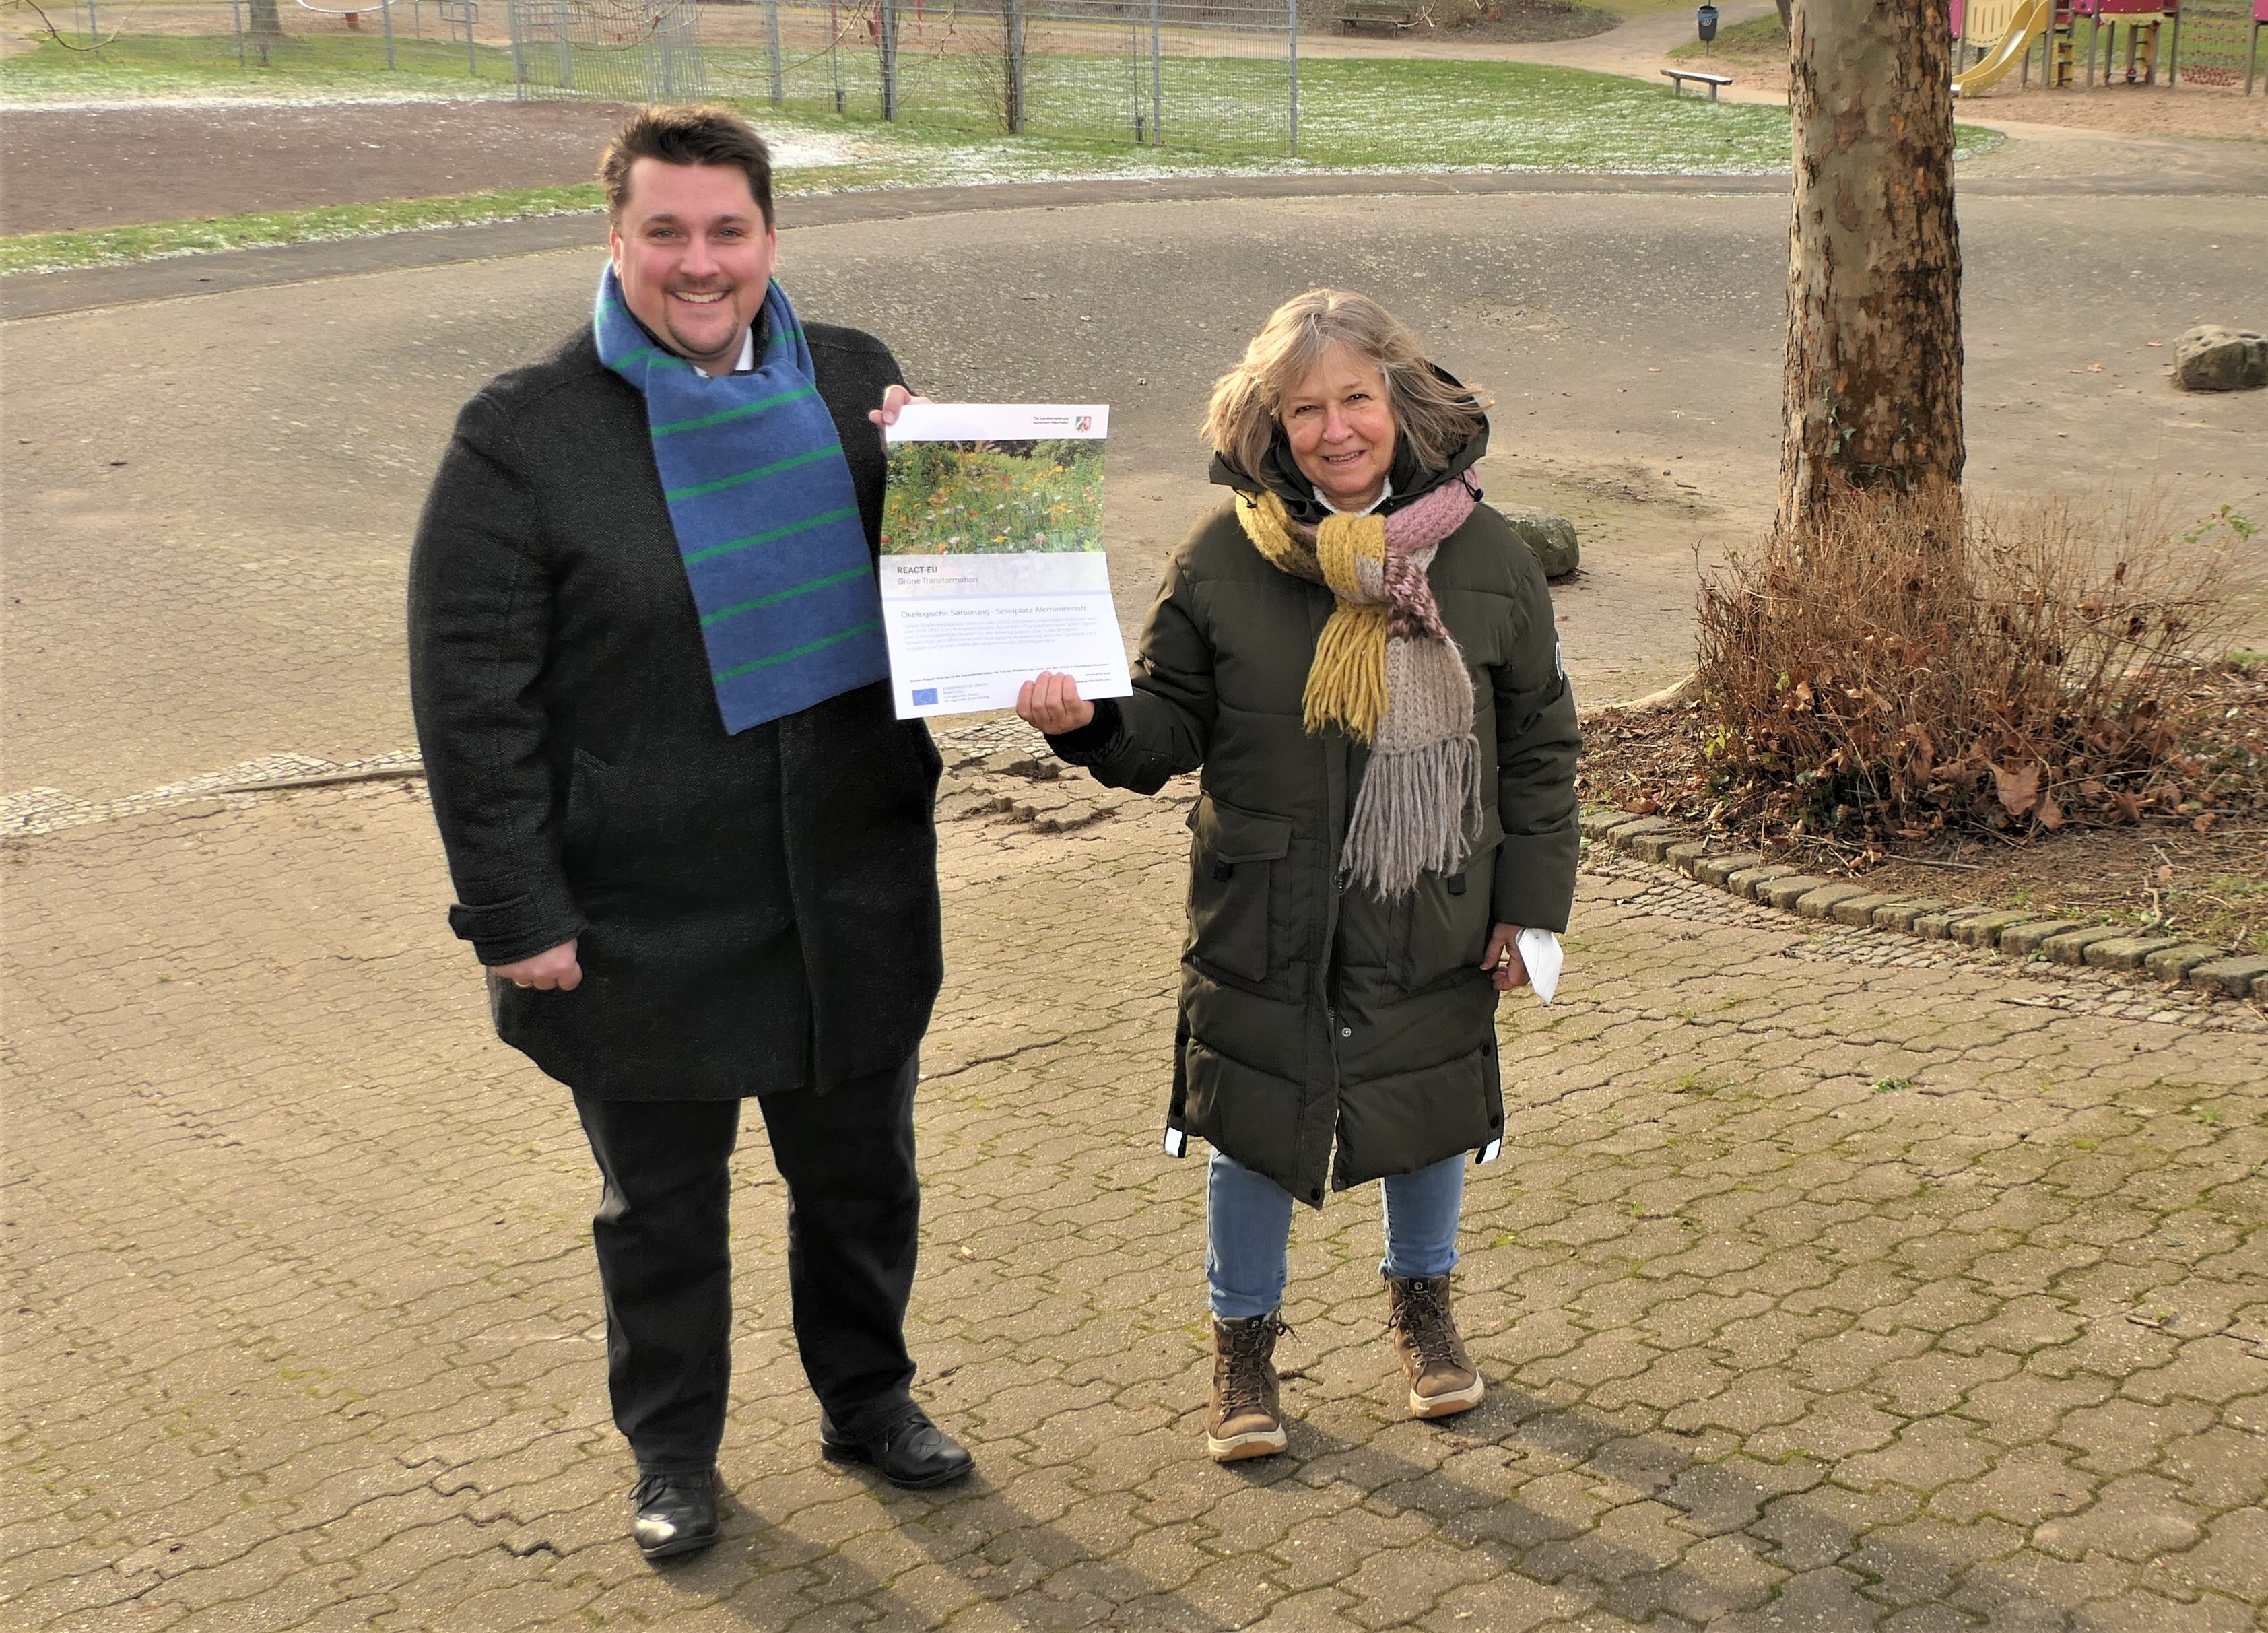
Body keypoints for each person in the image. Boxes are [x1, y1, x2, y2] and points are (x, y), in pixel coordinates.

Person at [407, 105, 970, 1564]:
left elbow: (943, 598)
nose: (699, 262)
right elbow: (474, 702)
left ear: (770, 238)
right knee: (660, 1212)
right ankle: (673, 1450)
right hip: (639, 909)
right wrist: (515, 908)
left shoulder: (854, 380)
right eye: (666, 230)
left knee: (861, 1181)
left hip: (844, 885)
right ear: (615, 239)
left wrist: (960, 482)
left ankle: (869, 1397)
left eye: (728, 230)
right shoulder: (522, 437)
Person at [1014, 288, 1579, 1463]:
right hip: (1261, 902)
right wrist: (1085, 724)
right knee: (1253, 1130)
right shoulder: (1222, 556)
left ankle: (1424, 1308)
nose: (1335, 430)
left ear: (1402, 402)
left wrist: (1532, 912)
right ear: (1270, 422)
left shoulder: (1489, 556)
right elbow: (1165, 728)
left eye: (1355, 400)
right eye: (1306, 407)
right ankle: (1244, 1347)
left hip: (1434, 898)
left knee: (1426, 1109)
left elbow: (1538, 747)